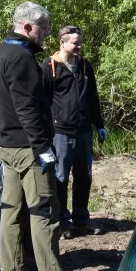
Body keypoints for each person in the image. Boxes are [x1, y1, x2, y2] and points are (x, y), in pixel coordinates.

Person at [0, 2, 90, 271]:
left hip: (6, 144)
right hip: (27, 147)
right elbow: (27, 108)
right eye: (44, 28)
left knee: (11, 210)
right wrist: (43, 147)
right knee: (45, 209)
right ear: (28, 27)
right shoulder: (21, 58)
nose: (47, 34)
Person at [42, 26, 107, 238]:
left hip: (84, 130)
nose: (79, 46)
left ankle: (81, 220)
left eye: (80, 42)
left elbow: (93, 98)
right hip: (60, 131)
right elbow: (41, 102)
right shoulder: (49, 67)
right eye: (75, 43)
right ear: (62, 42)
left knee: (84, 176)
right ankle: (61, 221)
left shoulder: (85, 67)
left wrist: (100, 125)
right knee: (60, 177)